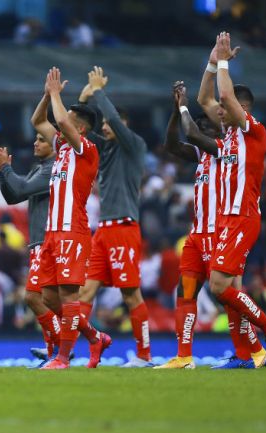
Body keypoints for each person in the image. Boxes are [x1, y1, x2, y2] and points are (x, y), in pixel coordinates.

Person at [187, 32, 266, 367]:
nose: (217, 111)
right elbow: (203, 97)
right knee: (232, 290)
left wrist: (227, 61)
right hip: (227, 220)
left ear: (241, 109)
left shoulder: (253, 130)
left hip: (243, 216)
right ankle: (246, 355)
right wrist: (212, 62)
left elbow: (224, 95)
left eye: (225, 107)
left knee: (218, 287)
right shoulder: (229, 138)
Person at [77, 66, 153, 367]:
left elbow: (113, 123)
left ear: (121, 124)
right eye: (104, 125)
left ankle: (145, 356)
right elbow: (78, 127)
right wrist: (83, 98)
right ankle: (83, 346)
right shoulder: (105, 151)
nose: (104, 128)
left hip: (124, 227)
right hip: (103, 232)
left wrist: (98, 91)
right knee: (86, 291)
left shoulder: (134, 145)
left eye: (109, 123)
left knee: (130, 294)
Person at [31, 67, 104, 370]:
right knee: (48, 298)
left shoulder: (86, 149)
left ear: (81, 129)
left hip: (72, 231)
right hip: (52, 232)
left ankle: (62, 358)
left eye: (71, 122)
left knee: (68, 295)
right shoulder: (62, 147)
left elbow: (60, 120)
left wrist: (58, 95)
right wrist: (48, 96)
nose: (64, 124)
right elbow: (38, 121)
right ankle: (94, 337)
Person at [155, 83, 226, 369]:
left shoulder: (226, 151)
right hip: (197, 236)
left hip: (221, 234)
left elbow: (191, 134)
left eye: (204, 124)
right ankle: (184, 356)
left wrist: (184, 105)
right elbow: (171, 145)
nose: (198, 128)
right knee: (185, 293)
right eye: (198, 124)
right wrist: (175, 112)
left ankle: (254, 348)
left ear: (217, 129)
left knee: (227, 295)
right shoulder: (202, 156)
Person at [0, 132, 67, 363]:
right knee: (45, 299)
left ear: (55, 144)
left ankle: (63, 344)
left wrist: (5, 168)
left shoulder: (52, 168)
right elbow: (13, 197)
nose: (35, 143)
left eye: (42, 139)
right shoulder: (40, 167)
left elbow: (21, 189)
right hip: (38, 240)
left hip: (46, 240)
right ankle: (55, 347)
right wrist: (3, 171)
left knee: (34, 298)